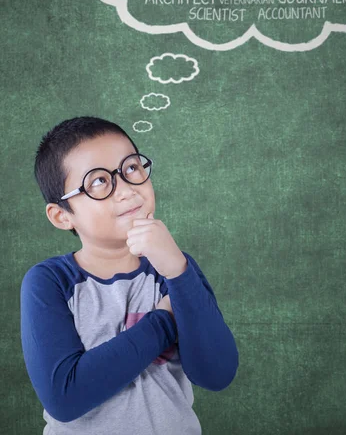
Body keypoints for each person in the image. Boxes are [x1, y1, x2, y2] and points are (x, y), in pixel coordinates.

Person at [20, 116, 239, 435]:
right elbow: (65, 397)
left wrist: (178, 272)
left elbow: (217, 375)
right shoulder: (49, 282)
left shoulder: (175, 267)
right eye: (98, 181)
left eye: (131, 168)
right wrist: (165, 320)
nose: (125, 189)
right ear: (62, 215)